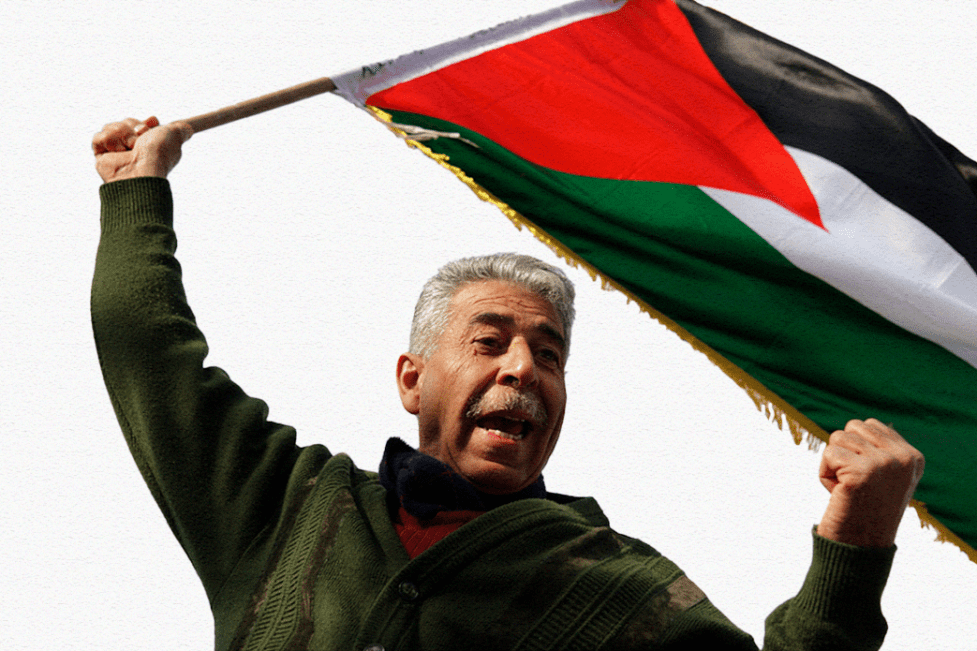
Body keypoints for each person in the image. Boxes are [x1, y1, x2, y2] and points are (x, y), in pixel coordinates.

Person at [92, 116, 924, 651]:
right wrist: (136, 194)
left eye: (549, 355)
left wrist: (853, 548)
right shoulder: (283, 506)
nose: (523, 368)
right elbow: (146, 349)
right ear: (412, 379)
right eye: (488, 341)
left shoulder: (621, 587)